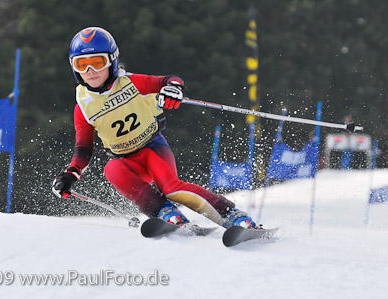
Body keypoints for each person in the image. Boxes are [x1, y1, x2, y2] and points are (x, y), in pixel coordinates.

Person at [52, 27, 256, 229]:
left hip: (153, 150)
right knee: (111, 169)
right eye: (82, 65)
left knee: (171, 189)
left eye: (98, 62)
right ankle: (164, 212)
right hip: (127, 162)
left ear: (112, 61)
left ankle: (232, 214)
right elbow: (83, 150)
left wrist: (173, 90)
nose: (90, 71)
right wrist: (70, 174)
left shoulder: (131, 83)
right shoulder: (83, 107)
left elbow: (169, 80)